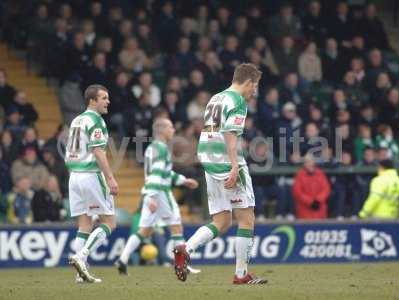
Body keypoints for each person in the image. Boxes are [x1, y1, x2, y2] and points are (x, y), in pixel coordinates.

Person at [173, 63, 267, 284]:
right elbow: (230, 134)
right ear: (247, 82)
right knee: (246, 218)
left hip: (207, 159)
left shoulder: (216, 98)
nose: (255, 91)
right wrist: (235, 166)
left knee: (222, 220)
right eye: (255, 86)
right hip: (225, 161)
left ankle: (186, 248)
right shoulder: (238, 101)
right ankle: (241, 274)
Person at [115, 118, 199, 274]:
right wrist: (153, 196)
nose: (173, 130)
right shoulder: (161, 149)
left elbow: (164, 172)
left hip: (150, 192)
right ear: (162, 130)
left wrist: (183, 181)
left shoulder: (152, 148)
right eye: (171, 127)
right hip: (160, 192)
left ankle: (123, 259)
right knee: (176, 227)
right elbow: (157, 174)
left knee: (144, 231)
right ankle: (182, 265)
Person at [65, 85, 119, 283]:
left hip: (74, 176)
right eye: (103, 98)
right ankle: (82, 256)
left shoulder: (77, 120)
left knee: (84, 224)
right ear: (92, 101)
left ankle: (80, 274)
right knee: (109, 222)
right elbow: (98, 152)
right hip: (90, 175)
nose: (108, 101)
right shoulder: (96, 120)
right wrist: (111, 178)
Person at [292, 155, 331, 219]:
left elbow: (326, 189)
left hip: (319, 208)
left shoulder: (320, 173)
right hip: (304, 210)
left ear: (314, 162)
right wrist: (310, 202)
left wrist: (318, 200)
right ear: (304, 164)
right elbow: (297, 192)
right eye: (307, 162)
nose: (309, 164)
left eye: (311, 161)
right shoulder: (299, 175)